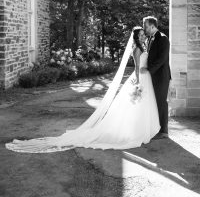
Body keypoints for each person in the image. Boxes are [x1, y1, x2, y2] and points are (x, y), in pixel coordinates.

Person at [5, 26, 161, 153]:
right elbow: (137, 67)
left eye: (142, 34)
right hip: (140, 79)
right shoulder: (137, 49)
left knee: (138, 108)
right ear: (135, 37)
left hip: (145, 77)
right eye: (140, 35)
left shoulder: (143, 45)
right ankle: (134, 132)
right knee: (134, 107)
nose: (142, 36)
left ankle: (139, 130)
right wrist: (138, 83)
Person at [141, 16, 171, 139]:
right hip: (152, 76)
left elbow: (162, 59)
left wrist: (149, 70)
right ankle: (155, 128)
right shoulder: (149, 39)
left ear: (152, 26)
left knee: (161, 102)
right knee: (153, 102)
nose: (145, 29)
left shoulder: (163, 38)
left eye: (146, 26)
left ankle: (164, 131)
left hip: (161, 76)